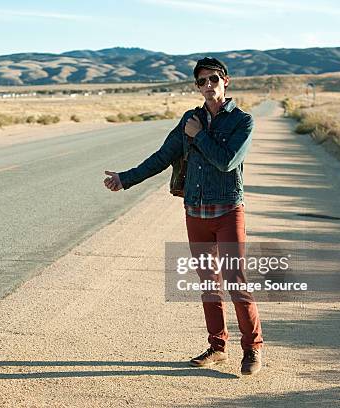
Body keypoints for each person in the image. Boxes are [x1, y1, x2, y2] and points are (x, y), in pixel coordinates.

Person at [103, 57, 263, 375]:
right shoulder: (189, 119)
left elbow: (227, 162)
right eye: (201, 81)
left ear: (226, 81)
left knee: (235, 281)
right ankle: (217, 347)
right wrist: (125, 178)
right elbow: (163, 156)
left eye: (213, 79)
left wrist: (200, 135)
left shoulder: (242, 121)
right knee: (208, 283)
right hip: (195, 212)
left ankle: (253, 349)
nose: (207, 86)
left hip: (229, 210)